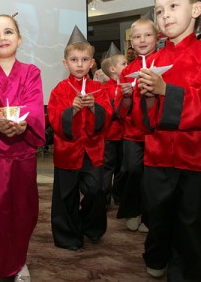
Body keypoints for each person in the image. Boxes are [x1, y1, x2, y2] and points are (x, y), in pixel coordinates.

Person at [131, 0, 201, 280]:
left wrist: (166, 91)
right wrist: (147, 97)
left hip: (193, 153)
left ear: (196, 10)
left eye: (173, 6)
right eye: (159, 11)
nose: (165, 16)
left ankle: (186, 271)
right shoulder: (154, 59)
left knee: (189, 218)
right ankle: (157, 255)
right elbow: (141, 116)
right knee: (157, 213)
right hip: (157, 151)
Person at [0, 14, 45, 281]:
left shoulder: (31, 72)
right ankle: (3, 254)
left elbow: (34, 105)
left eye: (8, 31)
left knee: (23, 208)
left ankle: (19, 260)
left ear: (19, 37)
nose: (2, 37)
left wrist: (23, 125)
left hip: (22, 153)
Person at [48, 26, 112, 252]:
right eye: (74, 59)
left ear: (92, 63)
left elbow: (108, 117)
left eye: (84, 59)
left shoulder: (99, 89)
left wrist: (95, 108)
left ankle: (90, 226)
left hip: (92, 151)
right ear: (66, 63)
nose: (79, 64)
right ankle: (68, 235)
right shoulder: (59, 90)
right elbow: (54, 119)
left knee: (96, 190)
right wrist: (71, 111)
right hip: (67, 151)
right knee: (66, 195)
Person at [117, 18, 158, 233]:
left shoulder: (165, 63)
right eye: (136, 36)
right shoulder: (127, 70)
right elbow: (121, 110)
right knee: (132, 170)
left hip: (158, 131)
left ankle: (150, 216)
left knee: (153, 175)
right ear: (130, 41)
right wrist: (125, 96)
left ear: (157, 37)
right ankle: (132, 210)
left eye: (147, 35)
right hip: (133, 131)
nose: (142, 40)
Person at [100, 54, 127, 209]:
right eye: (124, 63)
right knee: (108, 166)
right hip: (109, 134)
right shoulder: (104, 88)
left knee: (122, 168)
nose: (127, 65)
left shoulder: (128, 85)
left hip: (124, 134)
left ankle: (119, 196)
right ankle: (104, 198)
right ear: (112, 69)